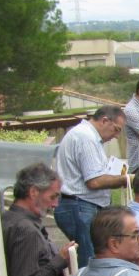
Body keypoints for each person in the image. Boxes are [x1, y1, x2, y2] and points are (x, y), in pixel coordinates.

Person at [53, 105, 132, 267]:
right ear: (104, 121)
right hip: (80, 206)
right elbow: (94, 181)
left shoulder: (87, 136)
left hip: (82, 205)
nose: (117, 136)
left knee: (92, 257)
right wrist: (127, 179)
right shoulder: (86, 137)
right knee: (91, 261)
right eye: (116, 130)